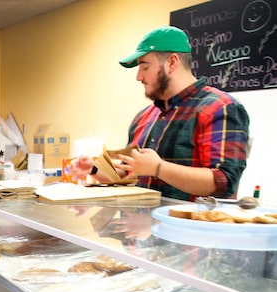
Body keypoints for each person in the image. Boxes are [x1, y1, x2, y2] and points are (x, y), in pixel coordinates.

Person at [70, 26, 249, 201]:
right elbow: (128, 175)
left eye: (144, 67)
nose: (138, 77)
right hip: (143, 228)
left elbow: (224, 182)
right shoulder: (143, 117)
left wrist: (159, 168)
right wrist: (93, 170)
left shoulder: (220, 107)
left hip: (188, 228)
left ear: (171, 62)